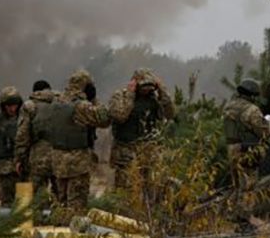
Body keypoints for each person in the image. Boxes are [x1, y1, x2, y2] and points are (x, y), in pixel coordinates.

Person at [45, 70, 110, 218]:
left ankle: (57, 235)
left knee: (60, 204)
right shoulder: (81, 106)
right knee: (77, 208)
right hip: (77, 164)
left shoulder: (56, 103)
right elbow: (104, 119)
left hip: (58, 163)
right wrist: (94, 99)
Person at [108, 68, 175, 192]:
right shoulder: (121, 96)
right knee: (124, 191)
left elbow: (170, 114)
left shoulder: (154, 100)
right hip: (125, 150)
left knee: (147, 189)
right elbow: (120, 116)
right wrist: (130, 94)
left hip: (148, 152)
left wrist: (162, 90)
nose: (146, 90)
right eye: (143, 85)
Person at [222, 79, 270, 230]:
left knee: (237, 184)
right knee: (248, 187)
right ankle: (244, 221)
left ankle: (231, 216)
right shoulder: (252, 110)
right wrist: (267, 122)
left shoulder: (228, 106)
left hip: (232, 148)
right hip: (247, 150)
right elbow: (264, 132)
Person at [14, 80, 59, 202]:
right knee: (61, 194)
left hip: (38, 156)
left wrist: (19, 158)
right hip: (60, 155)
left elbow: (22, 135)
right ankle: (60, 218)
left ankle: (29, 219)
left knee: (31, 194)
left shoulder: (30, 106)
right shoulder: (61, 103)